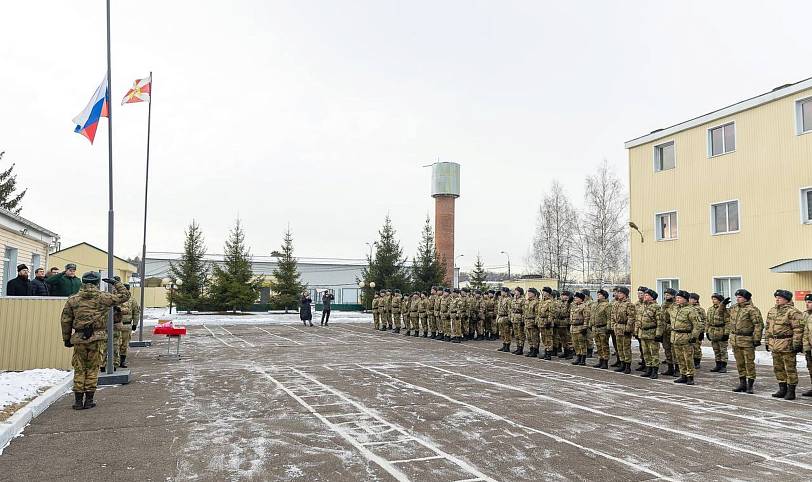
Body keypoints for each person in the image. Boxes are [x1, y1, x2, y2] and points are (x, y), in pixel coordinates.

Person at [60, 272, 130, 410]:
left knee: (79, 369)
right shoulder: (103, 297)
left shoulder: (73, 299)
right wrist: (115, 283)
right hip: (97, 337)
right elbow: (125, 296)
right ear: (98, 283)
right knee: (93, 368)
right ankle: (89, 400)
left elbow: (65, 320)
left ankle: (78, 401)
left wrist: (66, 339)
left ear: (82, 282)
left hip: (79, 338)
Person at [765, 289, 804, 400]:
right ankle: (782, 388)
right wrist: (768, 342)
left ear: (787, 299)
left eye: (780, 298)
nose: (777, 299)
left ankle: (791, 391)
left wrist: (796, 344)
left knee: (790, 368)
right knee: (778, 368)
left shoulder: (793, 312)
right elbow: (768, 327)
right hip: (775, 344)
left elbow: (798, 329)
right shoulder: (772, 311)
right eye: (776, 298)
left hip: (787, 344)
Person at [729, 289, 764, 394]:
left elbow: (758, 325)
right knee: (739, 363)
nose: (737, 299)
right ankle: (742, 383)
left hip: (747, 339)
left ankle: (750, 385)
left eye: (740, 297)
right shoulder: (734, 308)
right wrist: (722, 305)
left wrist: (757, 338)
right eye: (737, 297)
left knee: (749, 363)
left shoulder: (752, 309)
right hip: (736, 339)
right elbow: (723, 315)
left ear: (746, 298)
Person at [671, 291, 703, 385]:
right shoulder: (675, 308)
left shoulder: (691, 310)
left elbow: (698, 325)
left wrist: (694, 336)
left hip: (686, 336)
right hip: (676, 336)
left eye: (679, 298)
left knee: (688, 358)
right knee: (679, 358)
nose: (677, 299)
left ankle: (690, 376)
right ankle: (683, 375)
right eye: (677, 298)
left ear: (685, 299)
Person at [638, 288, 665, 377]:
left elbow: (660, 322)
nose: (645, 297)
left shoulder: (656, 307)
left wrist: (658, 334)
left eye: (647, 295)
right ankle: (648, 369)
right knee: (646, 353)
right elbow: (638, 319)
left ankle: (654, 371)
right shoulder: (642, 306)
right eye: (644, 295)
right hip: (642, 333)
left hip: (652, 333)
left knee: (654, 353)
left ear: (652, 297)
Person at [612, 287, 637, 375]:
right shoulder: (615, 304)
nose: (618, 294)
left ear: (625, 294)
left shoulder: (629, 304)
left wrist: (628, 329)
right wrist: (613, 326)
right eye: (618, 293)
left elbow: (631, 317)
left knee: (626, 347)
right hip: (617, 327)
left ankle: (627, 365)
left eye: (620, 293)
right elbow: (612, 316)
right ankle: (622, 363)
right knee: (619, 347)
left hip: (625, 326)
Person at [706, 293, 731, 373]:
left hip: (721, 331)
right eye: (712, 299)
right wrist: (707, 331)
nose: (713, 301)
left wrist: (726, 333)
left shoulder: (724, 310)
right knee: (716, 349)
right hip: (713, 331)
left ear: (720, 300)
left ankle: (723, 366)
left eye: (715, 299)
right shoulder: (710, 309)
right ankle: (718, 365)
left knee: (723, 350)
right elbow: (707, 321)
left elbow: (728, 322)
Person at [117, 283, 140, 368]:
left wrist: (135, 324)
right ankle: (115, 360)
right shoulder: (116, 299)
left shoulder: (132, 300)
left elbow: (136, 312)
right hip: (116, 325)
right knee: (117, 343)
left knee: (124, 344)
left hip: (127, 324)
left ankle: (122, 360)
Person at [589, 289, 611, 369]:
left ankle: (605, 361)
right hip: (595, 327)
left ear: (604, 296)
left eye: (600, 294)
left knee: (604, 345)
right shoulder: (594, 304)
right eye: (597, 294)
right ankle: (600, 360)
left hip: (603, 327)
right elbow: (591, 315)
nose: (598, 295)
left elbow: (609, 317)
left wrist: (608, 327)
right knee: (598, 345)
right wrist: (590, 324)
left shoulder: (607, 305)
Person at [569, 291, 590, 365]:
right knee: (575, 344)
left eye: (577, 298)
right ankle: (578, 357)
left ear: (581, 299)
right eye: (575, 297)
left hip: (580, 327)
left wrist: (584, 327)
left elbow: (586, 318)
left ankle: (583, 359)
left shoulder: (584, 306)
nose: (575, 299)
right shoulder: (574, 306)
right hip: (573, 327)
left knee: (582, 344)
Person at [688, 293, 706, 369]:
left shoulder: (700, 309)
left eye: (691, 299)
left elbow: (703, 321)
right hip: (689, 330)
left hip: (697, 331)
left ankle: (697, 362)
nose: (689, 300)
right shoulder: (688, 308)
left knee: (696, 347)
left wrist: (702, 331)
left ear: (696, 300)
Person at [524, 288, 540, 358]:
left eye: (530, 292)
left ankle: (535, 350)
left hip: (533, 321)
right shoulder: (527, 301)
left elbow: (537, 313)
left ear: (534, 294)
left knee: (534, 337)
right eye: (528, 292)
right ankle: (531, 349)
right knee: (529, 337)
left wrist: (536, 322)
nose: (529, 294)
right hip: (527, 321)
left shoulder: (536, 302)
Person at [801, 293, 812, 396]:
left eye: (809, 302)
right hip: (808, 347)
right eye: (806, 302)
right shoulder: (804, 315)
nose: (807, 304)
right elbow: (802, 330)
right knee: (810, 368)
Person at [511, 287, 526, 355]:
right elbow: (511, 309)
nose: (515, 292)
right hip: (514, 318)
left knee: (520, 334)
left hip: (519, 319)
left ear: (520, 292)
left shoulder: (523, 300)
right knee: (516, 334)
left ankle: (521, 348)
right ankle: (518, 347)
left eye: (516, 291)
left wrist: (523, 320)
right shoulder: (514, 300)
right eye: (515, 291)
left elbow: (524, 311)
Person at [496, 287, 512, 352]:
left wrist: (510, 319)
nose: (502, 293)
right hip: (500, 317)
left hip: (505, 317)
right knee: (502, 333)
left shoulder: (509, 300)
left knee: (507, 332)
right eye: (501, 291)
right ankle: (504, 344)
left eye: (503, 291)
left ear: (506, 292)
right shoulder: (500, 299)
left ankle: (507, 345)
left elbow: (509, 310)